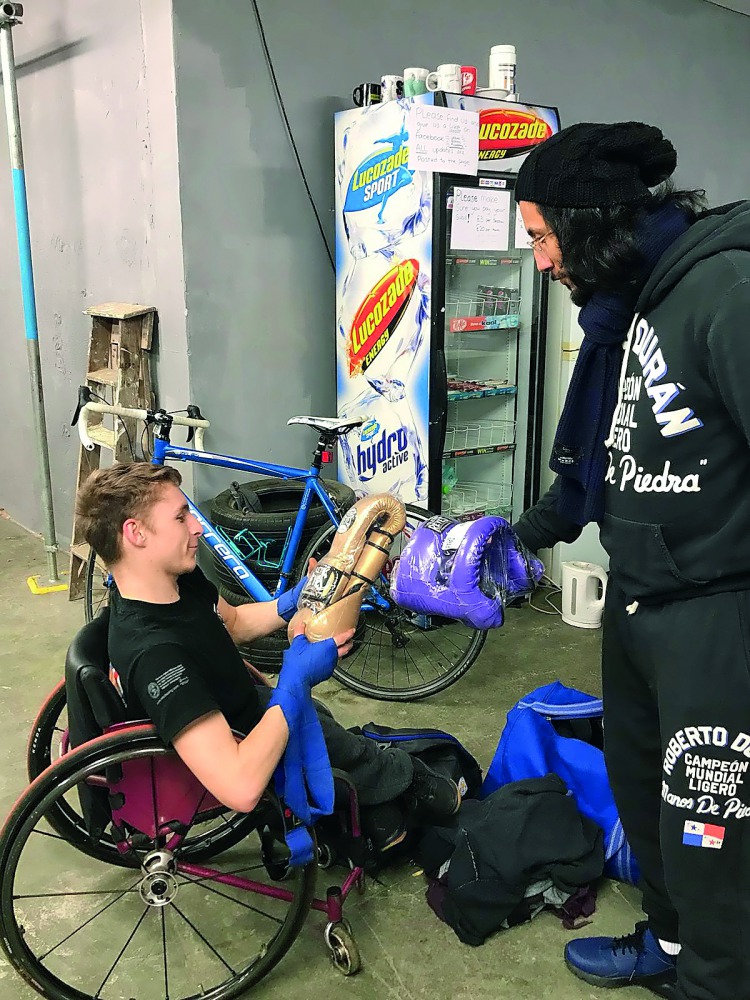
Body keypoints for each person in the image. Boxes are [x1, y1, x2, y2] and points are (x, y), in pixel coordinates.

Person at [513, 121, 750, 1000]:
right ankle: (673, 946)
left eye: (541, 236)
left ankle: (717, 981)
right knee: (648, 801)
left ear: (590, 223)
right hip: (643, 603)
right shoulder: (631, 305)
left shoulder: (726, 286)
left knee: (712, 829)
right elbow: (606, 451)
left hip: (717, 615)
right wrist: (524, 533)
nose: (539, 260)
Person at [75, 462, 460, 850]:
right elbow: (240, 786)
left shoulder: (176, 581)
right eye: (180, 516)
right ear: (135, 533)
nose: (196, 526)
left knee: (336, 740)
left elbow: (236, 623)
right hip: (246, 744)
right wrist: (295, 680)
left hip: (246, 705)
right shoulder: (156, 657)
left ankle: (377, 812)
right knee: (355, 753)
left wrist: (294, 600)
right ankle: (412, 779)